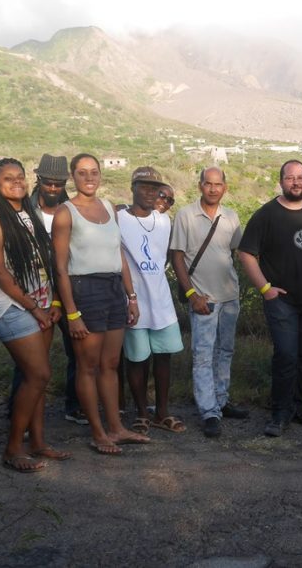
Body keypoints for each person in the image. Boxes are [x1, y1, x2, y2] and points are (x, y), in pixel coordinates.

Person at [52, 153, 150, 454]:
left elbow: (118, 254)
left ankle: (116, 428)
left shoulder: (109, 207)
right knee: (88, 366)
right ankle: (98, 432)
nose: (89, 177)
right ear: (73, 176)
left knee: (110, 364)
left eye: (94, 172)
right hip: (85, 289)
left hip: (112, 289)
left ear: (101, 175)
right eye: (82, 173)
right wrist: (72, 313)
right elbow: (60, 267)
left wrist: (131, 296)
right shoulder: (65, 213)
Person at [0, 158, 70, 471]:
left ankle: (39, 443)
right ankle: (13, 448)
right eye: (7, 178)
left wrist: (52, 302)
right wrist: (35, 308)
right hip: (10, 307)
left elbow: (43, 261)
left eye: (19, 176)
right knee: (39, 374)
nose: (16, 182)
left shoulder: (26, 213)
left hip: (40, 302)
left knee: (38, 377)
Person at [239, 160, 302, 437]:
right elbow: (246, 253)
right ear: (281, 181)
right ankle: (279, 412)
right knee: (286, 356)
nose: (296, 182)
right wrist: (265, 289)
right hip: (281, 301)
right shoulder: (266, 214)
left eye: (301, 177)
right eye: (290, 178)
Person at [7, 154, 86, 425]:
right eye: (48, 183)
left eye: (58, 184)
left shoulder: (73, 209)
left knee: (77, 350)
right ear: (38, 180)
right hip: (36, 293)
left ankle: (75, 406)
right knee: (30, 360)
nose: (53, 188)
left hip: (68, 292)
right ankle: (19, 414)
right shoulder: (24, 210)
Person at [171, 167, 246, 438]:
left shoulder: (232, 216)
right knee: (203, 355)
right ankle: (208, 411)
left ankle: (221, 401)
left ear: (225, 187)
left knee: (225, 350)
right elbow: (177, 257)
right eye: (208, 184)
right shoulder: (185, 215)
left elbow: (236, 252)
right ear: (200, 185)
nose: (213, 189)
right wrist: (191, 295)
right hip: (203, 298)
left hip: (229, 297)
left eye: (218, 184)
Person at [119, 167, 185, 435]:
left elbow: (165, 257)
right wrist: (130, 295)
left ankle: (162, 412)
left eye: (154, 187)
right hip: (133, 301)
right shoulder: (118, 217)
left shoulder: (163, 221)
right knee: (136, 360)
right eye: (143, 186)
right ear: (132, 187)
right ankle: (141, 412)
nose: (149, 192)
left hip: (161, 302)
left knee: (163, 357)